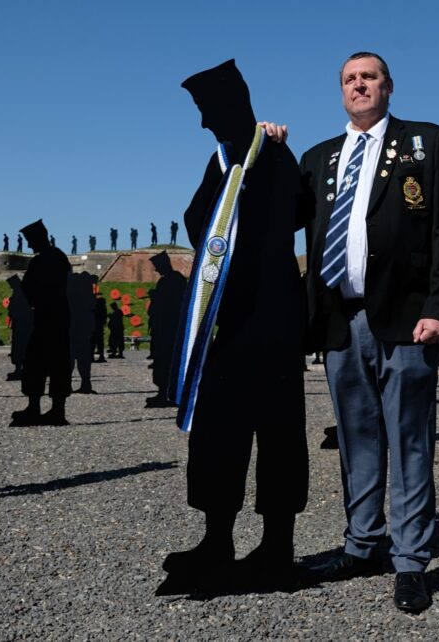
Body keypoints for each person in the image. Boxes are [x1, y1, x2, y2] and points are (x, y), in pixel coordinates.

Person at [293, 52, 439, 613]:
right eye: (349, 79)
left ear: (388, 87)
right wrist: (259, 150)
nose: (358, 85)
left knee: (410, 439)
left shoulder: (426, 142)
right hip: (343, 320)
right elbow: (278, 214)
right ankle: (363, 543)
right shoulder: (319, 158)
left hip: (408, 318)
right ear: (340, 91)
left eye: (368, 77)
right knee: (355, 438)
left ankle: (410, 559)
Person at [159, 60, 308, 594]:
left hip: (273, 322)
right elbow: (200, 223)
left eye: (206, 112)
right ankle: (216, 539)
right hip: (226, 324)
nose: (202, 124)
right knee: (217, 433)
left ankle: (277, 546)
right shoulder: (221, 162)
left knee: (279, 435)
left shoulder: (276, 157)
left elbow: (297, 215)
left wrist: (265, 144)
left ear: (233, 106)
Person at [10, 220, 72, 426]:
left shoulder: (41, 261)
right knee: (58, 362)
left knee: (36, 362)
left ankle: (36, 407)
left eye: (30, 241)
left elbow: (29, 289)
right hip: (60, 318)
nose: (28, 245)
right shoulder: (60, 257)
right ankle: (57, 409)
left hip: (47, 317)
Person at [145, 251, 186, 407]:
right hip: (164, 327)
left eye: (157, 266)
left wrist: (156, 297)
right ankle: (164, 392)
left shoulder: (172, 281)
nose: (156, 269)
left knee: (166, 360)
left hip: (168, 328)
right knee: (162, 361)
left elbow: (171, 304)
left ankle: (167, 394)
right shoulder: (175, 280)